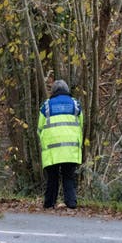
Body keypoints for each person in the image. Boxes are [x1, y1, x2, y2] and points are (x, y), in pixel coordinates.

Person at [39, 78, 83, 209]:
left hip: (52, 149)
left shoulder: (46, 106)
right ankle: (71, 202)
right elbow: (81, 125)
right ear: (67, 90)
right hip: (70, 149)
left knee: (52, 177)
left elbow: (39, 128)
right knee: (68, 176)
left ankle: (49, 203)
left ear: (53, 91)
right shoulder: (76, 105)